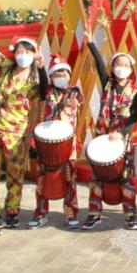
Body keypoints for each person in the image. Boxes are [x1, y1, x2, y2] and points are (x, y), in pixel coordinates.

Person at [0, 3, 47, 229]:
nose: (23, 56)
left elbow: (44, 92)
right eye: (19, 52)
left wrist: (42, 68)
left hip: (19, 134)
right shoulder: (4, 69)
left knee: (15, 175)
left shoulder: (34, 80)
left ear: (34, 55)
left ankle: (12, 211)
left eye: (27, 52)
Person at [82, 30, 137, 230]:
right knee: (96, 178)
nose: (121, 68)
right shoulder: (107, 84)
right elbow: (99, 64)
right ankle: (93, 214)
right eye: (118, 65)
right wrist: (91, 43)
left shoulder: (135, 91)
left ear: (131, 69)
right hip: (102, 137)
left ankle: (130, 216)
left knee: (126, 180)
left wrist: (122, 132)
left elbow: (134, 117)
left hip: (122, 140)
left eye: (125, 66)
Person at [27, 54, 82, 230]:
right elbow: (42, 83)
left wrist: (70, 102)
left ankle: (71, 213)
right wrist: (41, 67)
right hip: (46, 144)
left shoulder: (74, 91)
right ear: (51, 77)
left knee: (70, 179)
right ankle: (41, 213)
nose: (61, 77)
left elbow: (77, 100)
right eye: (57, 74)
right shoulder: (46, 91)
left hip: (68, 145)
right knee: (42, 179)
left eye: (64, 73)